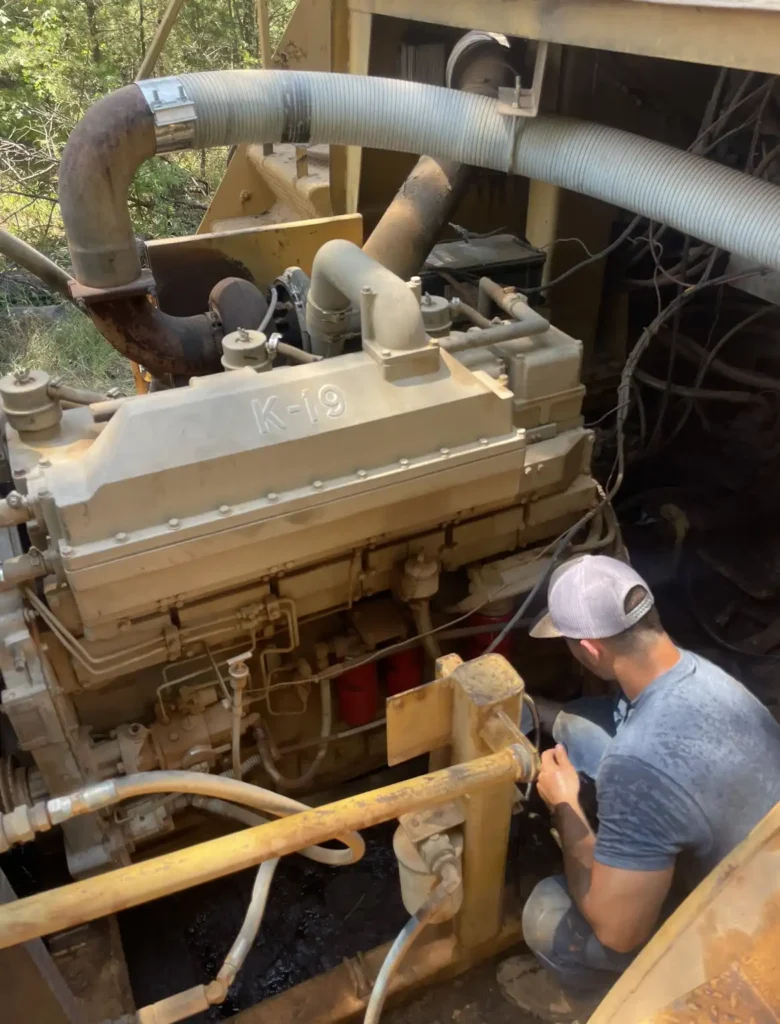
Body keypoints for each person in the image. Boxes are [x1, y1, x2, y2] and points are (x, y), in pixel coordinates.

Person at [500, 554, 780, 1022]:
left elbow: (618, 931)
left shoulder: (638, 767)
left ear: (589, 650)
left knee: (546, 914)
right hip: (758, 858)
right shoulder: (702, 675)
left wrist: (565, 803)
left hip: (745, 929)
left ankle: (586, 1000)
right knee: (578, 724)